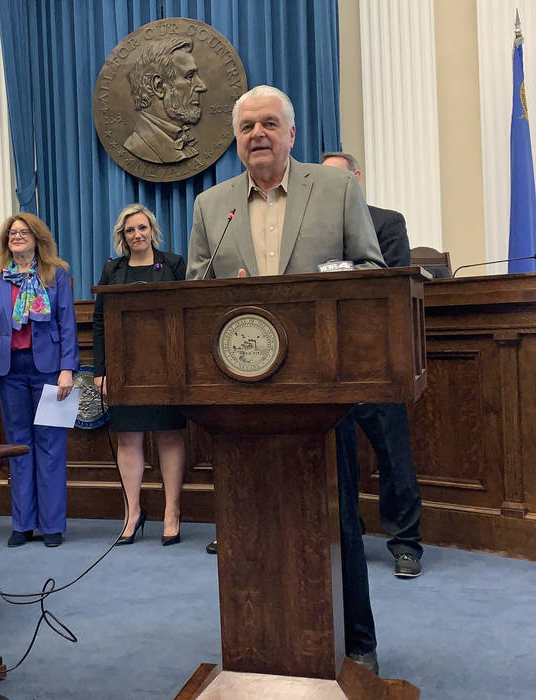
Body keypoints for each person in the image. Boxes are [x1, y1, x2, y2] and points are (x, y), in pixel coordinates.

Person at [186, 85, 386, 674]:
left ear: (291, 134)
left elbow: (371, 272)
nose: (258, 135)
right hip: (240, 398)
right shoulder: (211, 206)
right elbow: (195, 291)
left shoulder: (335, 188)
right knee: (247, 520)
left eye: (269, 124)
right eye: (247, 127)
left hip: (320, 391)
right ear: (236, 139)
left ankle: (356, 644)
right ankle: (257, 648)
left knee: (336, 516)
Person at [322, 151, 424, 578]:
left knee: (393, 456)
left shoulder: (387, 221)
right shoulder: (317, 229)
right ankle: (348, 539)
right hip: (328, 362)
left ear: (357, 178)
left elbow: (391, 284)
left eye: (339, 179)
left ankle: (405, 544)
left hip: (378, 360)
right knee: (337, 461)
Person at [0, 213, 78, 548]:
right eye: (11, 233)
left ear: (37, 238)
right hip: (10, 371)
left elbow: (67, 324)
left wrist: (68, 369)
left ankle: (51, 525)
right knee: (20, 446)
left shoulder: (56, 274)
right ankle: (22, 523)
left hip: (50, 369)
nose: (17, 237)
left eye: (24, 232)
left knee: (51, 446)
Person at [92, 204, 187, 546]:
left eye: (142, 228)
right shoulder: (113, 270)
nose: (137, 235)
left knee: (168, 436)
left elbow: (188, 313)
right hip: (124, 368)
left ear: (152, 231)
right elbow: (100, 321)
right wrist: (101, 371)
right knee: (129, 438)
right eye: (130, 230)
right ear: (123, 236)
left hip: (167, 366)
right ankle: (132, 513)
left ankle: (171, 512)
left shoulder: (173, 264)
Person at [123, 38, 208, 164]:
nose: (202, 86)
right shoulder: (138, 145)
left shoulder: (183, 139)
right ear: (158, 86)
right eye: (190, 76)